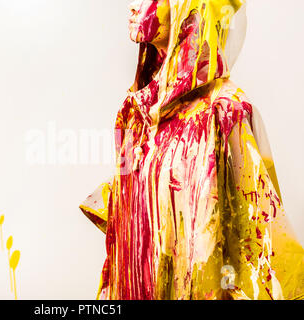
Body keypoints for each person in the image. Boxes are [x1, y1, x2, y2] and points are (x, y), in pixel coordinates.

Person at [80, 0, 304, 300]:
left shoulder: (225, 112)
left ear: (188, 8)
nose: (133, 6)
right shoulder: (135, 114)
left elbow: (259, 245)